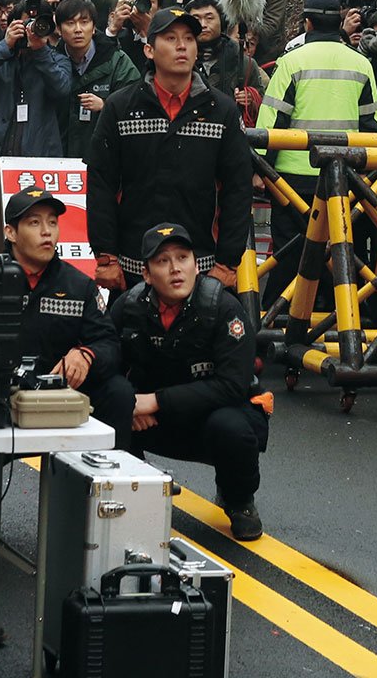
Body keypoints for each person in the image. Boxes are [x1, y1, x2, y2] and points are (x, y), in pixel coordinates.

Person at [109, 223, 270, 541]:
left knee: (233, 429)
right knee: (108, 409)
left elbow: (232, 386)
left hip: (213, 417)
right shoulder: (128, 308)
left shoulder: (225, 308)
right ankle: (141, 486)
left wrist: (153, 400)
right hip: (153, 420)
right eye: (162, 261)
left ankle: (238, 500)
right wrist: (128, 402)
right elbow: (105, 368)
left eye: (183, 258)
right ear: (146, 274)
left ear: (197, 265)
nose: (175, 269)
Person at [86, 6, 255, 293]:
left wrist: (227, 263)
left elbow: (238, 188)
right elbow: (101, 183)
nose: (182, 47)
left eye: (189, 39)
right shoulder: (119, 107)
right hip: (133, 267)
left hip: (202, 268)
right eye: (171, 38)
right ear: (149, 50)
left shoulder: (221, 110)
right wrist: (106, 258)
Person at [255, 0, 377, 302]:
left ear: (307, 23)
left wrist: (259, 168)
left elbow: (272, 121)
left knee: (291, 249)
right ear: (340, 23)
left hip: (292, 177)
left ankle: (280, 314)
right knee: (336, 248)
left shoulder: (291, 62)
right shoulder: (361, 64)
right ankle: (337, 314)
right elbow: (372, 125)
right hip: (344, 176)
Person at [2, 189, 136, 446]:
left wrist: (86, 355)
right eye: (34, 222)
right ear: (11, 233)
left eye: (52, 222)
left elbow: (109, 345)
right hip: (0, 395)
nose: (47, 231)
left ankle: (108, 477)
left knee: (119, 392)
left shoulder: (79, 285)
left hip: (61, 395)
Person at [0, 0, 74, 259]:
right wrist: (6, 44)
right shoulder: (1, 55)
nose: (31, 29)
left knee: (34, 248)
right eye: (25, 24)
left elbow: (62, 88)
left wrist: (40, 49)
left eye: (37, 24)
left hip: (36, 168)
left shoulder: (56, 59)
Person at [56, 0, 140, 160]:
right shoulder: (50, 63)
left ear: (94, 27)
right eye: (70, 23)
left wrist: (106, 105)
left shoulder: (116, 61)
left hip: (104, 159)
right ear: (59, 29)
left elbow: (136, 106)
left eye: (84, 22)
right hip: (57, 161)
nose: (78, 29)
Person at [189, 0, 267, 128]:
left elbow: (266, 103)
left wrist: (251, 100)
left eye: (209, 18)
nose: (203, 25)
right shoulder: (179, 60)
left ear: (222, 21)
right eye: (196, 19)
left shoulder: (243, 63)